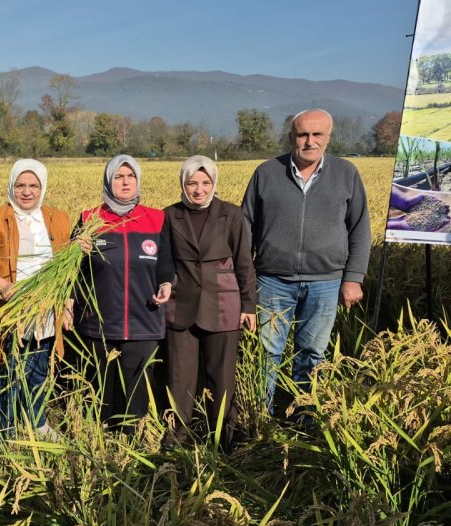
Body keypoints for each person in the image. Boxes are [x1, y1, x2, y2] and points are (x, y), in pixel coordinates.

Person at [241, 109, 371, 414]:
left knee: (312, 353)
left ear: (328, 138)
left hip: (326, 282)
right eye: (303, 134)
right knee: (266, 352)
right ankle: (262, 417)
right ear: (291, 138)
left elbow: (360, 228)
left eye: (317, 134)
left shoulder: (346, 173)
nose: (310, 141)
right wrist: (243, 280)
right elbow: (245, 227)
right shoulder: (266, 173)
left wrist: (354, 278)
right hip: (271, 280)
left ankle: (306, 418)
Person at [0, 159, 71, 440]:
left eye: (34, 186)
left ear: (43, 187)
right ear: (11, 186)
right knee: (8, 372)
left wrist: (66, 301)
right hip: (10, 310)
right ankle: (3, 432)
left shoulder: (58, 218)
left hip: (46, 310)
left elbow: (66, 265)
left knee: (39, 369)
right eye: (20, 185)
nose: (27, 192)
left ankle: (36, 422)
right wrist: (3, 286)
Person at [71, 155, 173, 429]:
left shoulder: (156, 219)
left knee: (137, 386)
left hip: (144, 318)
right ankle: (97, 434)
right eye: (119, 177)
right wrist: (76, 251)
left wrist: (166, 283)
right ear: (108, 181)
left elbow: (165, 263)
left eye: (131, 177)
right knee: (99, 386)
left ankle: (133, 434)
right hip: (99, 322)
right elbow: (73, 271)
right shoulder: (89, 219)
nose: (125, 182)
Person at [162, 156, 256, 445]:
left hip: (223, 305)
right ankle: (178, 436)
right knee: (179, 377)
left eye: (205, 182)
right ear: (183, 183)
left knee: (222, 376)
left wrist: (249, 305)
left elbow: (244, 262)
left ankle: (224, 437)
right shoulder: (169, 215)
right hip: (181, 305)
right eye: (192, 183)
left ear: (214, 183)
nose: (199, 189)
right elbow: (164, 260)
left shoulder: (232, 214)